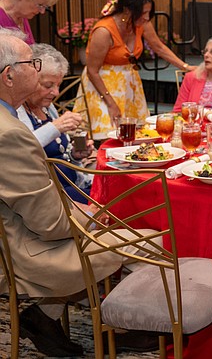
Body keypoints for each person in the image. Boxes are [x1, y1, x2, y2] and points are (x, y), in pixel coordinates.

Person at [0, 32, 158, 356]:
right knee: (153, 239)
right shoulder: (10, 134)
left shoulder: (11, 121)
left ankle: (43, 317)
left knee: (114, 221)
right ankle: (128, 329)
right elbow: (51, 224)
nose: (37, 68)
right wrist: (90, 216)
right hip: (29, 255)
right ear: (9, 75)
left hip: (19, 237)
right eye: (32, 62)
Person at [77, 0, 191, 139]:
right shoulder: (104, 31)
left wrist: (185, 67)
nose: (146, 17)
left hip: (128, 83)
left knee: (136, 133)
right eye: (143, 13)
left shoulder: (141, 23)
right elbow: (92, 71)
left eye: (148, 13)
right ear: (126, 10)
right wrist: (110, 103)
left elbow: (158, 47)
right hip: (102, 85)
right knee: (109, 133)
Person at [17, 43, 94, 202]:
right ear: (30, 79)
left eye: (58, 85)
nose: (56, 93)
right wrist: (56, 126)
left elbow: (60, 156)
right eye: (48, 85)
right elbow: (24, 149)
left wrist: (75, 155)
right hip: (53, 197)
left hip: (72, 184)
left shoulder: (48, 107)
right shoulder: (17, 110)